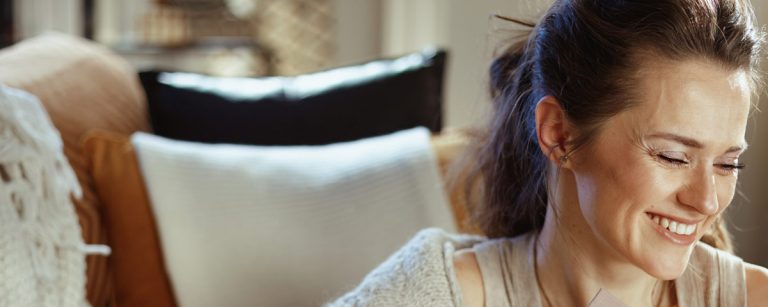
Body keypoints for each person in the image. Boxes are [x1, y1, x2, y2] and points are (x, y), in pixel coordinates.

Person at [329, 0, 768, 306]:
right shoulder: (443, 291)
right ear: (559, 135)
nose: (707, 200)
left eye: (728, 163)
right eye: (673, 156)